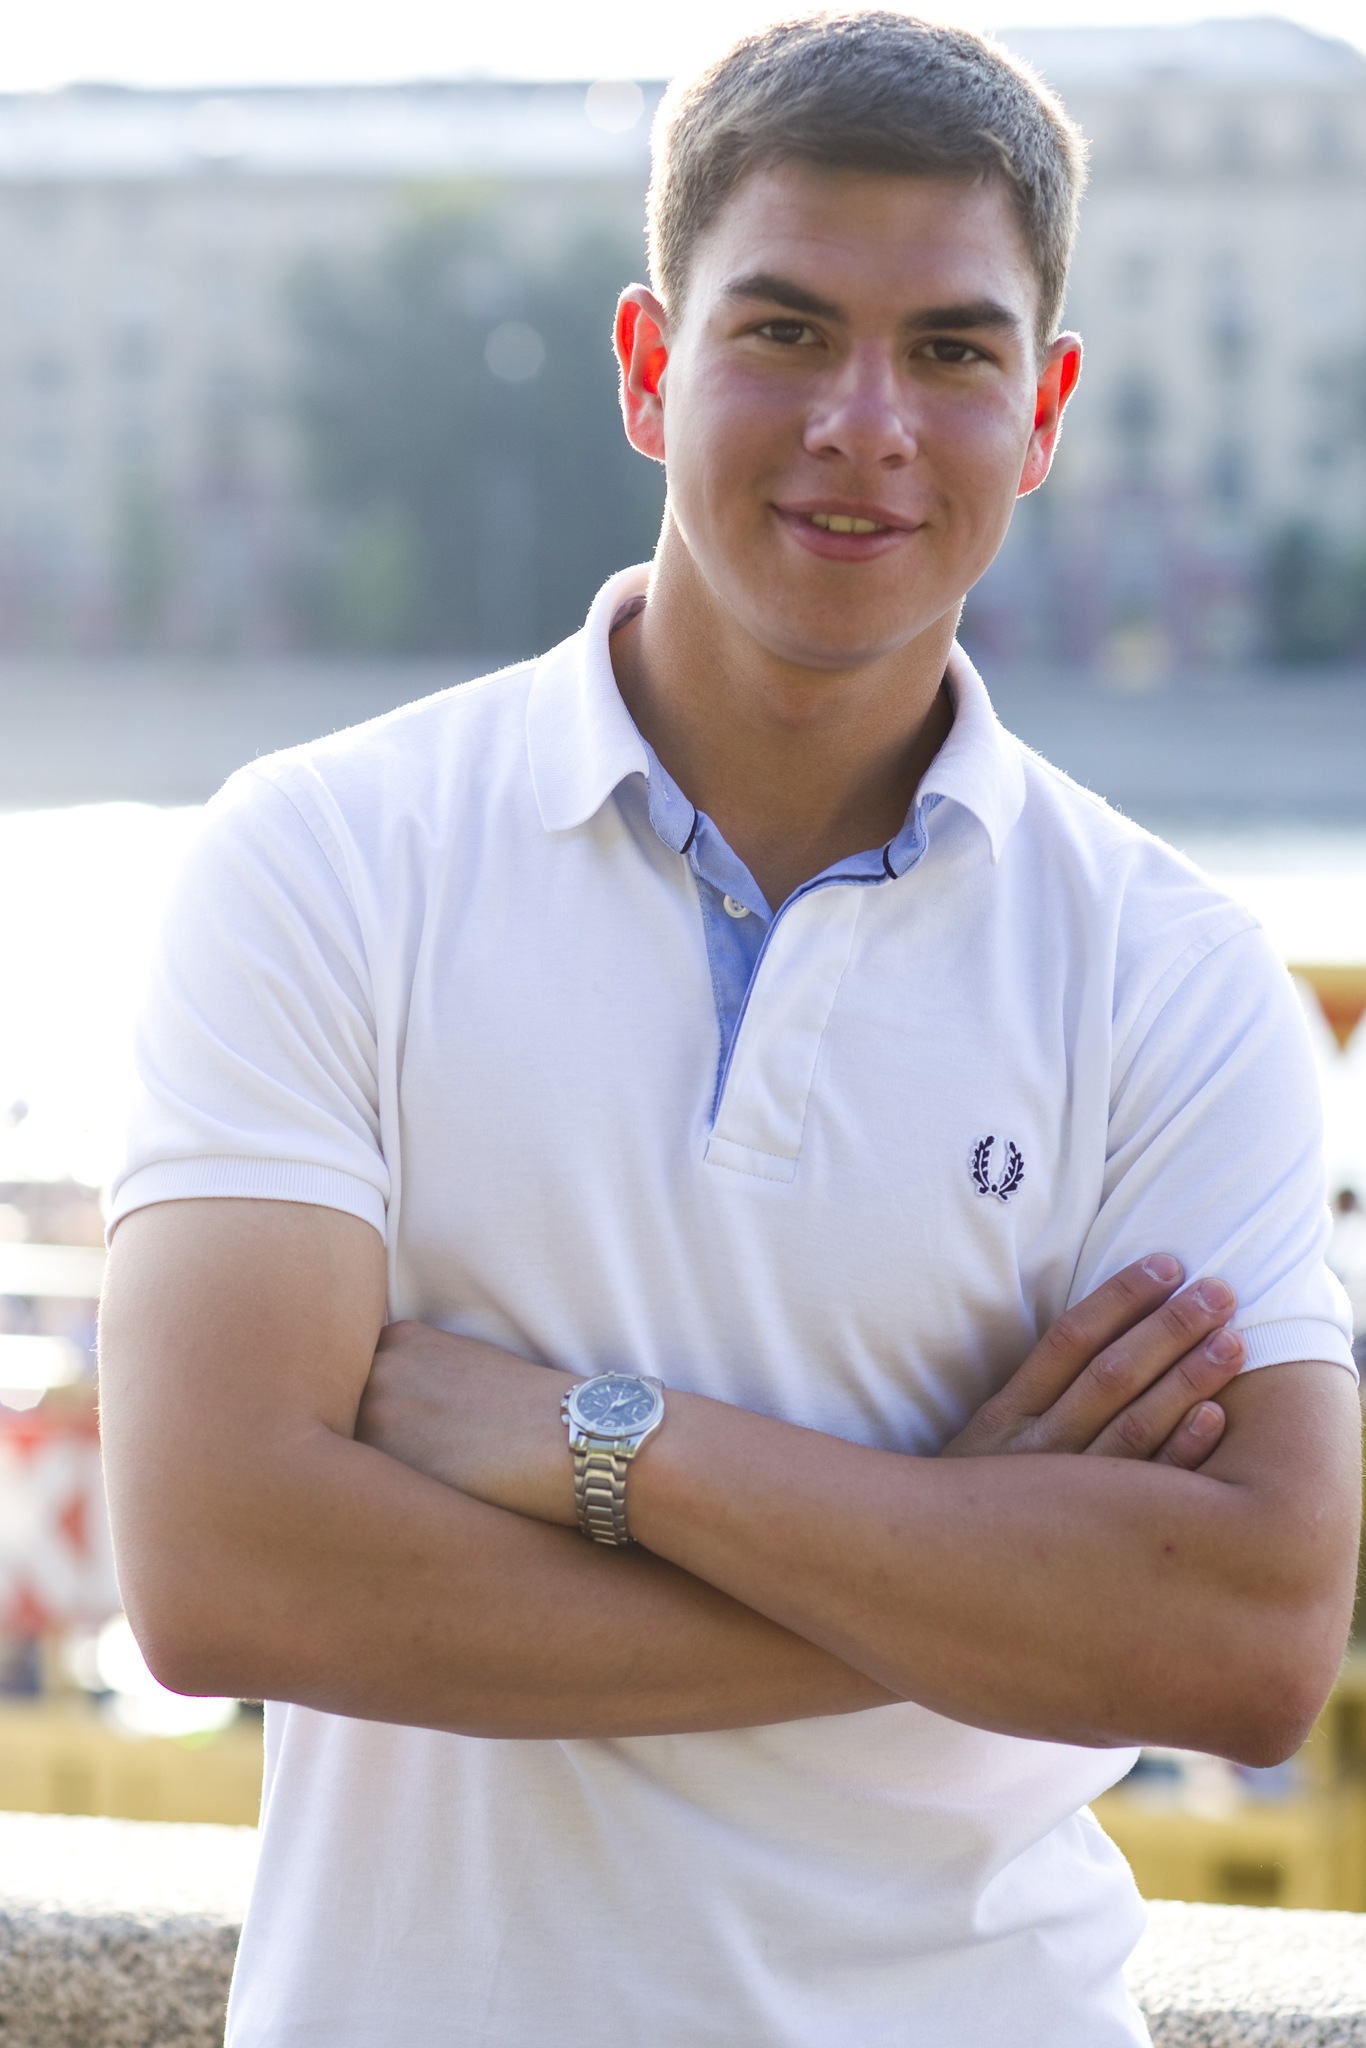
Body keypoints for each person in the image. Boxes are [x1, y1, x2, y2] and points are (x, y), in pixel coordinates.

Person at [99, 14, 1361, 2046]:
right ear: (644, 367)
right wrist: (966, 1566)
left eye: (948, 351)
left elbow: (1238, 1642)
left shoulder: (1172, 972)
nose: (866, 422)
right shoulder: (324, 858)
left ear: (1039, 410)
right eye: (782, 331)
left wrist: (603, 1445)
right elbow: (226, 1569)